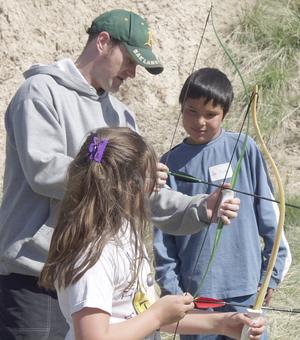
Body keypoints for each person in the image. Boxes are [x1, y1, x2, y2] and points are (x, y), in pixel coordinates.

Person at [0, 10, 241, 340]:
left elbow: (138, 194)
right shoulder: (41, 92)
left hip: (106, 287)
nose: (132, 73)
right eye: (129, 60)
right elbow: (44, 170)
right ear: (102, 43)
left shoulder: (121, 115)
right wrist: (121, 172)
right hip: (38, 278)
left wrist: (198, 208)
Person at [39, 127, 265, 340]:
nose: (156, 186)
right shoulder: (93, 254)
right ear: (130, 187)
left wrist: (222, 323)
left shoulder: (124, 233)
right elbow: (93, 336)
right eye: (151, 177)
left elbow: (141, 314)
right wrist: (157, 314)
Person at [153, 67, 292, 340]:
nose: (200, 121)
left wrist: (269, 276)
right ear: (181, 108)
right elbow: (163, 234)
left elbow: (271, 217)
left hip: (246, 290)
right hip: (196, 298)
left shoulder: (244, 148)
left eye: (211, 114)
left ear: (225, 113)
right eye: (191, 111)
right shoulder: (168, 163)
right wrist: (172, 288)